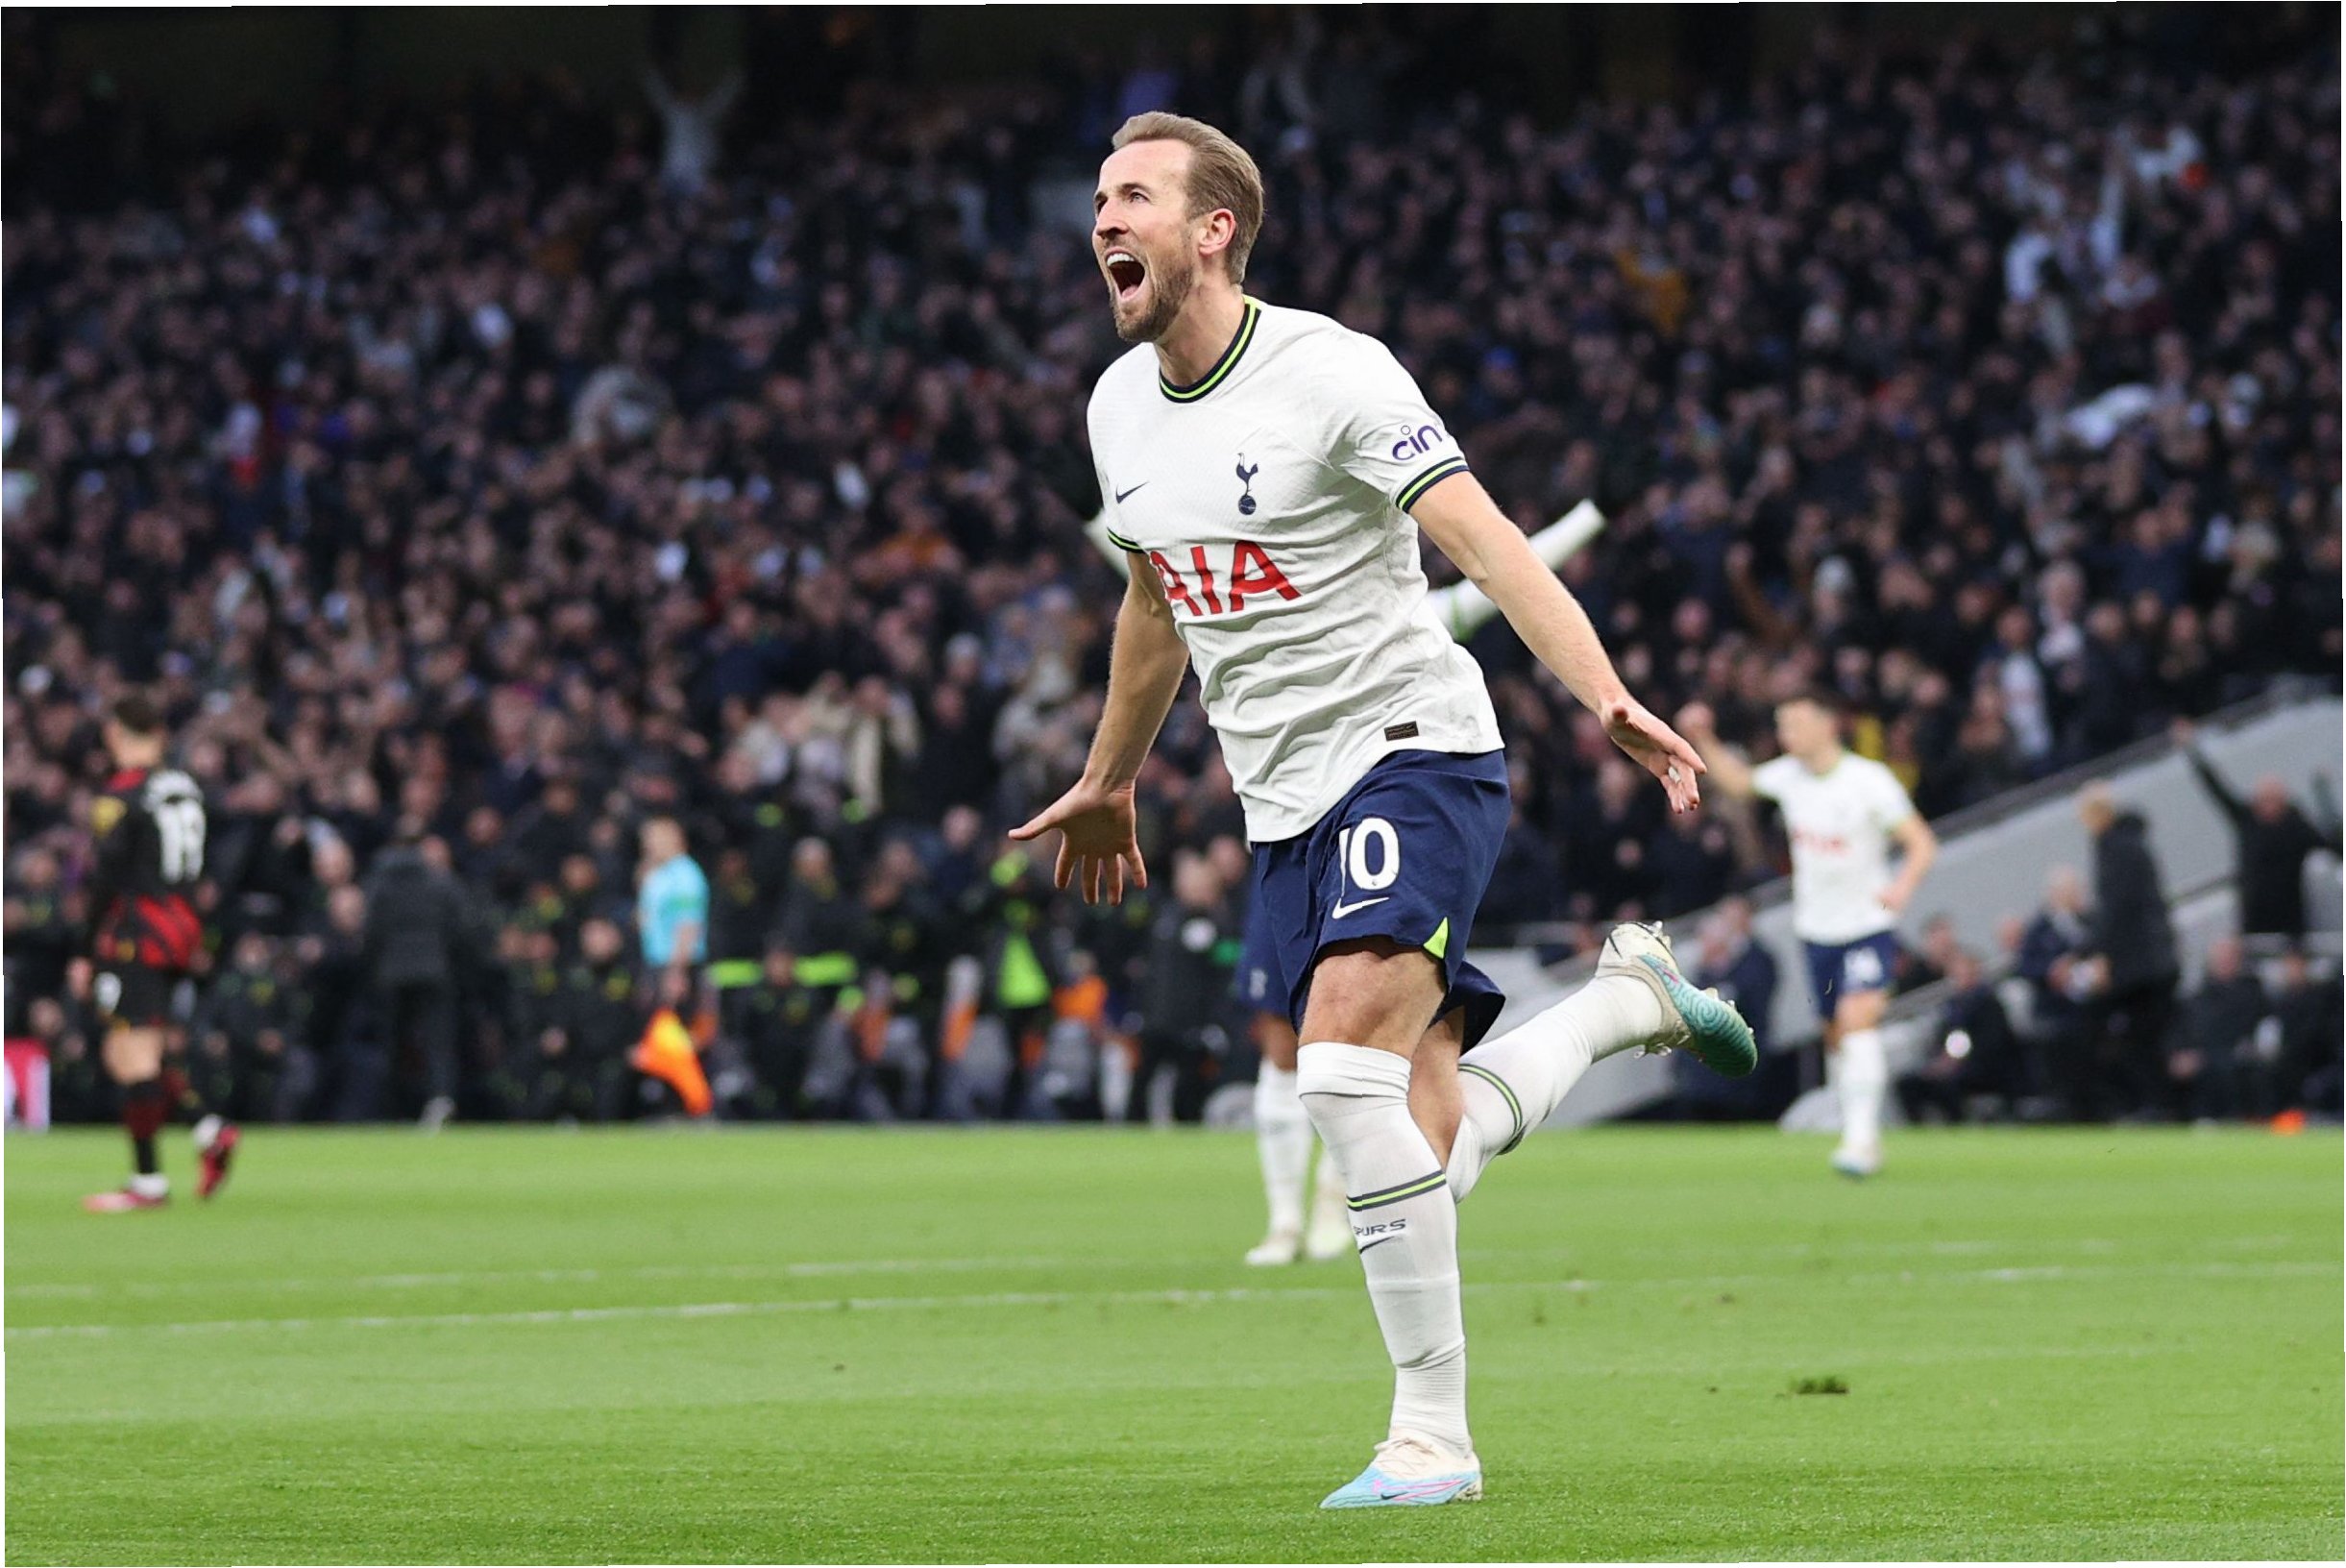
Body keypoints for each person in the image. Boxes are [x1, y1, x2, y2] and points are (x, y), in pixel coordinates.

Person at [1012, 112, 1754, 1510]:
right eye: (1099, 198)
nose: (1103, 218)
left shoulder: (1331, 371)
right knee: (1424, 1148)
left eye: (1135, 196)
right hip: (1281, 803)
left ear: (1213, 229)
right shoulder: (1116, 407)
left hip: (1412, 751)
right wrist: (1110, 777)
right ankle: (1621, 1005)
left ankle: (1431, 1439)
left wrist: (1602, 693)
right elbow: (1155, 601)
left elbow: (1485, 538)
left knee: (1337, 1077)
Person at [1088, 489, 1608, 1262]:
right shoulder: (1241, 592)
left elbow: (1496, 561)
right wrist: (1096, 512)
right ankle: (1288, 1221)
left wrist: (1594, 517)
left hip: (1391, 800)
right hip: (1284, 827)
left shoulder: (1406, 612)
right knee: (1324, 1067)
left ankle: (1338, 1208)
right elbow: (1156, 585)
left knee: (1355, 1071)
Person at [1677, 690, 1938, 1177]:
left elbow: (1920, 841)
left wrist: (1902, 886)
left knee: (1858, 1021)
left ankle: (1861, 1141)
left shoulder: (1868, 781)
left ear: (1827, 724)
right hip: (1817, 932)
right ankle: (1855, 1124)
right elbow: (1739, 783)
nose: (1786, 735)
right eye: (1782, 726)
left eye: (1795, 724)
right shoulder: (1789, 777)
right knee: (1837, 1037)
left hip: (1866, 927)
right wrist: (1702, 737)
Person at [71, 694, 239, 1210]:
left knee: (132, 1051)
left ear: (115, 733)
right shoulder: (185, 787)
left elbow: (105, 878)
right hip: (180, 928)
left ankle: (149, 1180)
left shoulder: (121, 795)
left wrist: (84, 948)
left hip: (137, 933)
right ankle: (206, 1130)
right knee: (131, 1051)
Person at [2176, 723, 2339, 943]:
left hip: (2288, 925)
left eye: (2271, 799)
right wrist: (2191, 749)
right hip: (2251, 923)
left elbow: (2333, 845)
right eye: (2262, 799)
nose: (2266, 806)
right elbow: (2216, 788)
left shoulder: (2297, 828)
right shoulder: (2247, 820)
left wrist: (2324, 795)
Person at [2078, 783, 2181, 1119]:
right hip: (2153, 960)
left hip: (2139, 966)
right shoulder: (2131, 843)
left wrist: (2090, 952)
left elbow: (2115, 908)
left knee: (2132, 1039)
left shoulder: (2115, 848)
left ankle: (2151, 1106)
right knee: (2146, 1038)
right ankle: (2158, 1106)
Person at [360, 825, 472, 1130]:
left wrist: (377, 967)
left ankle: (393, 1106)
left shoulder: (379, 884)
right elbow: (461, 928)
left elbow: (370, 931)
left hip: (392, 973)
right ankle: (440, 1099)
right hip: (435, 970)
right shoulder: (441, 881)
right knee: (438, 1041)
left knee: (394, 1044)